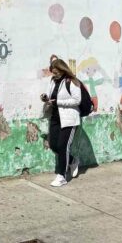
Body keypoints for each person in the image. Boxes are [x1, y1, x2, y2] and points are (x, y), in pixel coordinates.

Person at [40, 55, 82, 187]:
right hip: (55, 117)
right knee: (53, 145)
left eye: (56, 72)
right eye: (53, 72)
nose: (54, 75)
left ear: (62, 70)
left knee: (63, 147)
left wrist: (58, 102)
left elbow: (77, 100)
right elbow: (50, 94)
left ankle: (61, 176)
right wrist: (46, 98)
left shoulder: (72, 81)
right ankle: (73, 160)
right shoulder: (53, 81)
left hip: (69, 119)